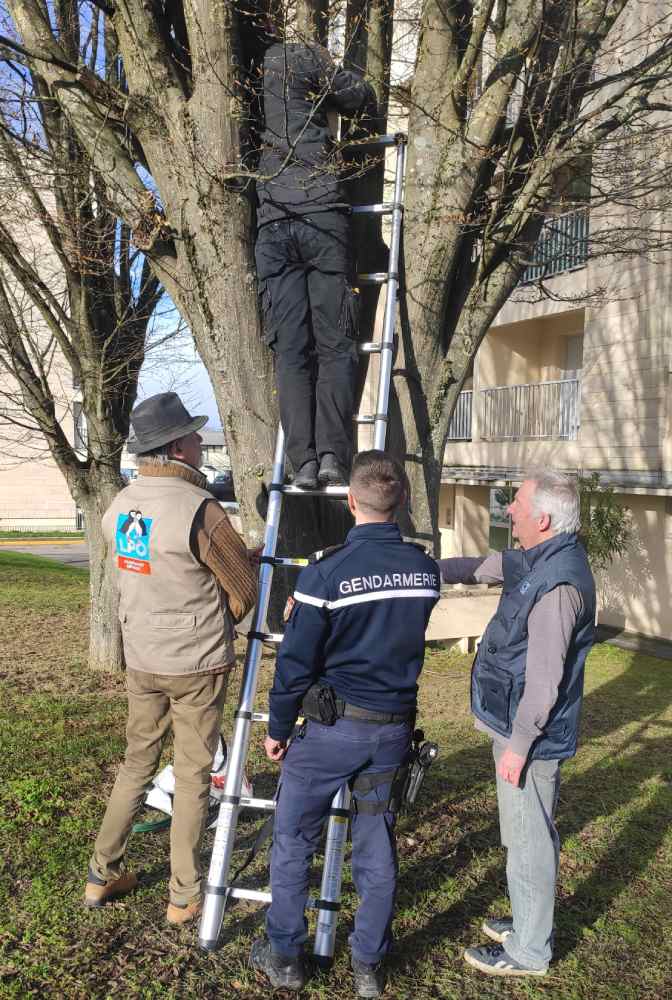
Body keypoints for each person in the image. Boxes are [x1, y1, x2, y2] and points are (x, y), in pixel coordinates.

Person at [249, 450, 440, 997]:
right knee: (376, 843)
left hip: (330, 734)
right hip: (391, 733)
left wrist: (278, 728)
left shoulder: (325, 573)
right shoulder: (425, 572)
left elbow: (295, 666)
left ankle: (285, 954)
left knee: (292, 840)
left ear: (352, 501)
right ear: (401, 501)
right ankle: (368, 965)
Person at [83, 392, 257, 925]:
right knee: (191, 775)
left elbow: (153, 568)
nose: (200, 443)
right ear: (177, 446)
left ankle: (100, 873)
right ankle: (184, 895)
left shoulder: (121, 505)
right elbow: (245, 589)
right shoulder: (199, 509)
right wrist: (220, 615)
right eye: (194, 435)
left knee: (137, 763)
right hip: (196, 663)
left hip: (142, 655)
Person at [438, 470, 596, 977]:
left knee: (529, 842)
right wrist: (415, 568)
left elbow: (546, 679)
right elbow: (478, 566)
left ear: (543, 520)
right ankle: (526, 922)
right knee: (519, 833)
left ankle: (529, 951)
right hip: (510, 721)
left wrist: (520, 745)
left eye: (518, 504)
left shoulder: (559, 585)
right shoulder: (540, 557)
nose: (509, 510)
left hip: (529, 735)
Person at [255, 31, 377, 489]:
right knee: (334, 346)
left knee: (291, 354)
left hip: (272, 223)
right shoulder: (306, 54)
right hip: (321, 216)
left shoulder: (255, 64)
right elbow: (356, 94)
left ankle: (301, 462)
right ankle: (331, 456)